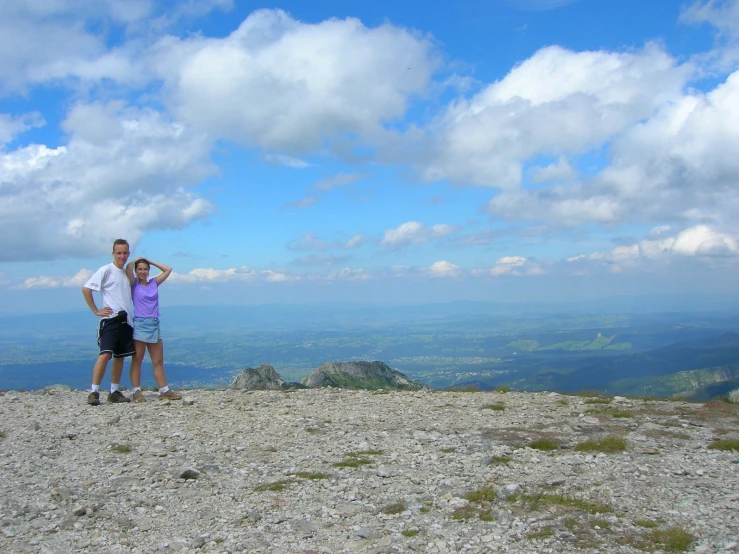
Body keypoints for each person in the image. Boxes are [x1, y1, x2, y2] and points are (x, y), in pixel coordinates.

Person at [82, 238, 135, 405]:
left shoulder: (126, 273)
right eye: (119, 253)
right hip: (111, 320)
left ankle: (113, 391)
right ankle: (94, 391)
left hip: (126, 321)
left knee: (119, 357)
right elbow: (86, 288)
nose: (122, 256)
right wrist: (96, 310)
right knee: (105, 354)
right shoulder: (106, 270)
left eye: (125, 253)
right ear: (113, 253)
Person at [125, 257, 182, 402]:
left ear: (149, 270)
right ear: (136, 271)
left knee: (158, 361)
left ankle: (164, 390)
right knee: (137, 360)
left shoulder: (154, 283)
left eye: (145, 269)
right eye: (140, 269)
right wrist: (136, 260)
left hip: (154, 324)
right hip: (140, 323)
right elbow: (127, 269)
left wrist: (149, 261)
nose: (143, 272)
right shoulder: (134, 284)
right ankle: (137, 392)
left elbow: (168, 269)